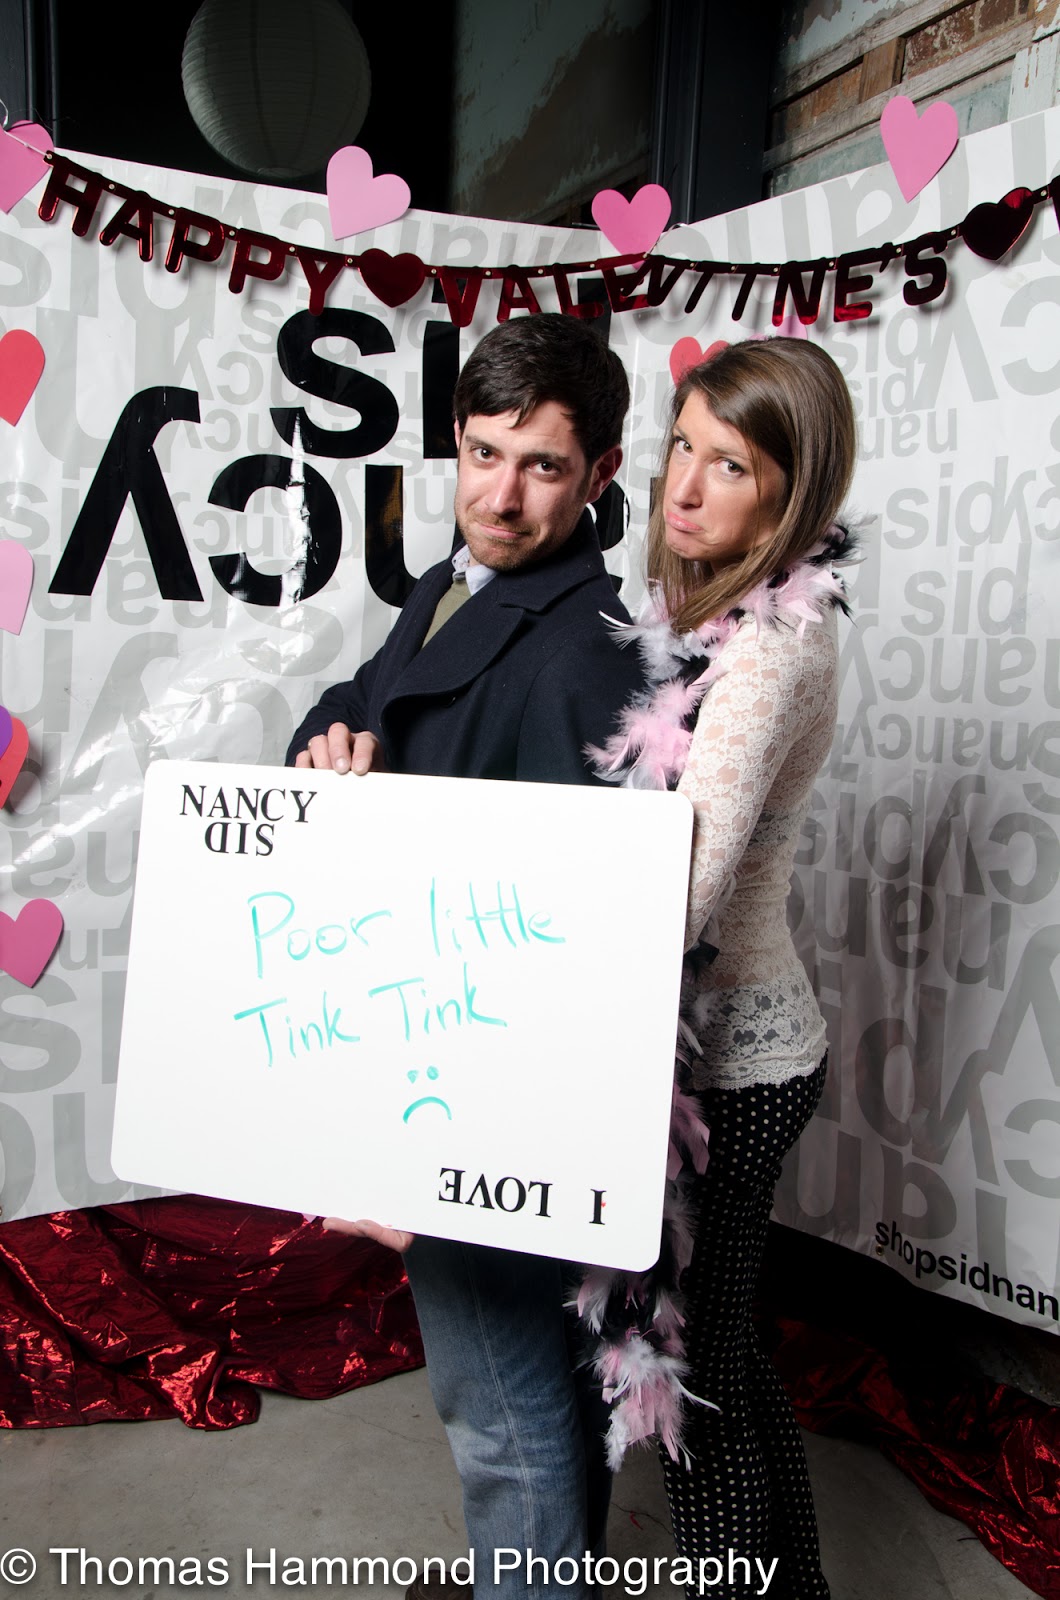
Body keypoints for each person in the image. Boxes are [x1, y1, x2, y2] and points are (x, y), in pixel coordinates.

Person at [286, 313, 646, 1599]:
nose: (501, 495)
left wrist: (444, 1150)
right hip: (423, 1053)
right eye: (484, 454)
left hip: (481, 1087)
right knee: (528, 1384)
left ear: (601, 473)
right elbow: (366, 700)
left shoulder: (583, 652)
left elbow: (566, 937)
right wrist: (332, 742)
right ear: (455, 440)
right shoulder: (456, 580)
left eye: (542, 467)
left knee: (499, 1406)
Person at [591, 337, 857, 1600]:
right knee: (730, 1363)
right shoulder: (722, 618)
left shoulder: (765, 650)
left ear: (792, 495)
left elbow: (683, 885)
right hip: (735, 1048)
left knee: (696, 1382)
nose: (685, 487)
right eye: (682, 448)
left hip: (732, 1065)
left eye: (731, 465)